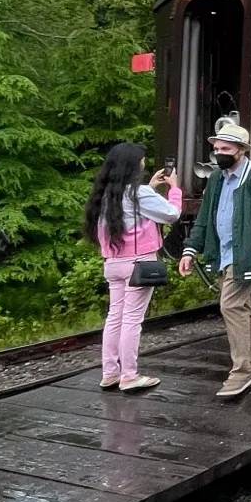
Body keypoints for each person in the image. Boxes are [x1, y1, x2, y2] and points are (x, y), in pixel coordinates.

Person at [179, 119, 251, 401]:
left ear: (242, 150)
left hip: (247, 255)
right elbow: (204, 217)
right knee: (244, 308)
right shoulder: (216, 179)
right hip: (224, 253)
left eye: (226, 148)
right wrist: (191, 249)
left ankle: (242, 370)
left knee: (231, 305)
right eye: (217, 147)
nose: (219, 152)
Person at [85, 141, 183, 393]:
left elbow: (133, 210)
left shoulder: (105, 195)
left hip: (113, 265)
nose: (143, 164)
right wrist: (174, 189)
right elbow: (171, 214)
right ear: (132, 166)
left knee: (114, 318)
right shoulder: (139, 194)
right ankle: (129, 375)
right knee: (132, 321)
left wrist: (150, 187)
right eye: (141, 161)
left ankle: (110, 373)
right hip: (139, 266)